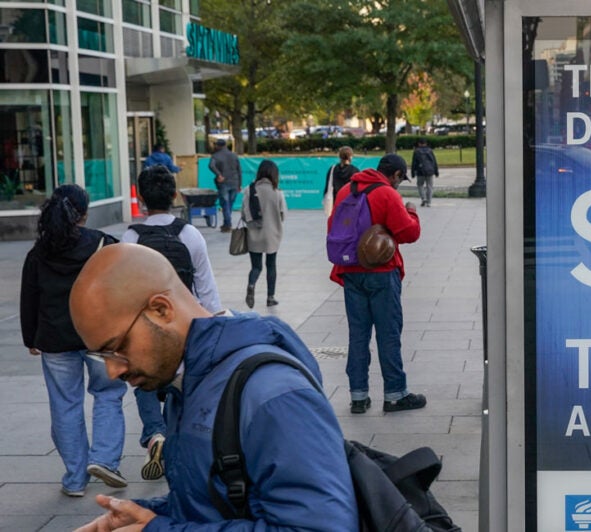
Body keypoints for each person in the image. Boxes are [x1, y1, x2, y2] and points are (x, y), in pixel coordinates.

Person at [68, 244, 358, 530]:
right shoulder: (187, 381)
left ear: (161, 309)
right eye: (101, 356)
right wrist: (144, 515)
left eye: (117, 348)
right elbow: (217, 503)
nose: (112, 370)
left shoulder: (274, 394)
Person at [19, 184, 128, 497]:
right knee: (108, 394)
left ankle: (75, 478)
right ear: (83, 214)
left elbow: (30, 298)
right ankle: (105, 460)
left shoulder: (38, 253)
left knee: (65, 406)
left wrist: (31, 338)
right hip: (101, 337)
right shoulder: (104, 244)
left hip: (54, 341)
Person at [121, 165, 222, 481]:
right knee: (181, 387)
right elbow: (206, 292)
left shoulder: (130, 237)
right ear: (175, 195)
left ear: (141, 199)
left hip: (146, 328)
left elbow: (123, 291)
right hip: (184, 327)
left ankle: (155, 434)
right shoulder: (190, 235)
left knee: (142, 380)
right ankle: (175, 443)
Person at [329, 154, 427, 414]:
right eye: (399, 179)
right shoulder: (386, 194)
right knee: (388, 333)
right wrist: (412, 213)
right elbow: (408, 233)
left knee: (357, 335)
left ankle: (358, 397)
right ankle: (395, 394)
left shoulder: (345, 191)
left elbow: (333, 227)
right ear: (394, 174)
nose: (398, 184)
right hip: (381, 273)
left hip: (350, 271)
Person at [242, 160, 287, 308]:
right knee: (271, 266)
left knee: (256, 267)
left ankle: (251, 284)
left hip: (254, 235)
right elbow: (283, 215)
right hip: (272, 235)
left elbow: (244, 214)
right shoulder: (277, 192)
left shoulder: (249, 190)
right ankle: (270, 297)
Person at [208, 138, 241, 233]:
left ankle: (228, 224)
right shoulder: (234, 155)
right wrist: (239, 184)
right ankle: (226, 223)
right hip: (235, 182)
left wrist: (219, 174)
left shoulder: (216, 156)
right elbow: (239, 170)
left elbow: (211, 165)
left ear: (218, 146)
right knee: (230, 204)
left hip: (224, 183)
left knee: (225, 204)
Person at [323, 146, 358, 217]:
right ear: (350, 157)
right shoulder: (355, 171)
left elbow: (327, 187)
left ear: (339, 156)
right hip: (349, 203)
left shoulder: (332, 169)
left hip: (335, 203)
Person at [411, 138, 439, 207]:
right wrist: (436, 171)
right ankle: (429, 202)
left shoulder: (416, 151)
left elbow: (414, 163)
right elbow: (434, 161)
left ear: (419, 144)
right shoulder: (430, 151)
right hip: (430, 170)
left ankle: (423, 198)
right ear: (426, 144)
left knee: (420, 185)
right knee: (429, 186)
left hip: (420, 171)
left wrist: (413, 172)